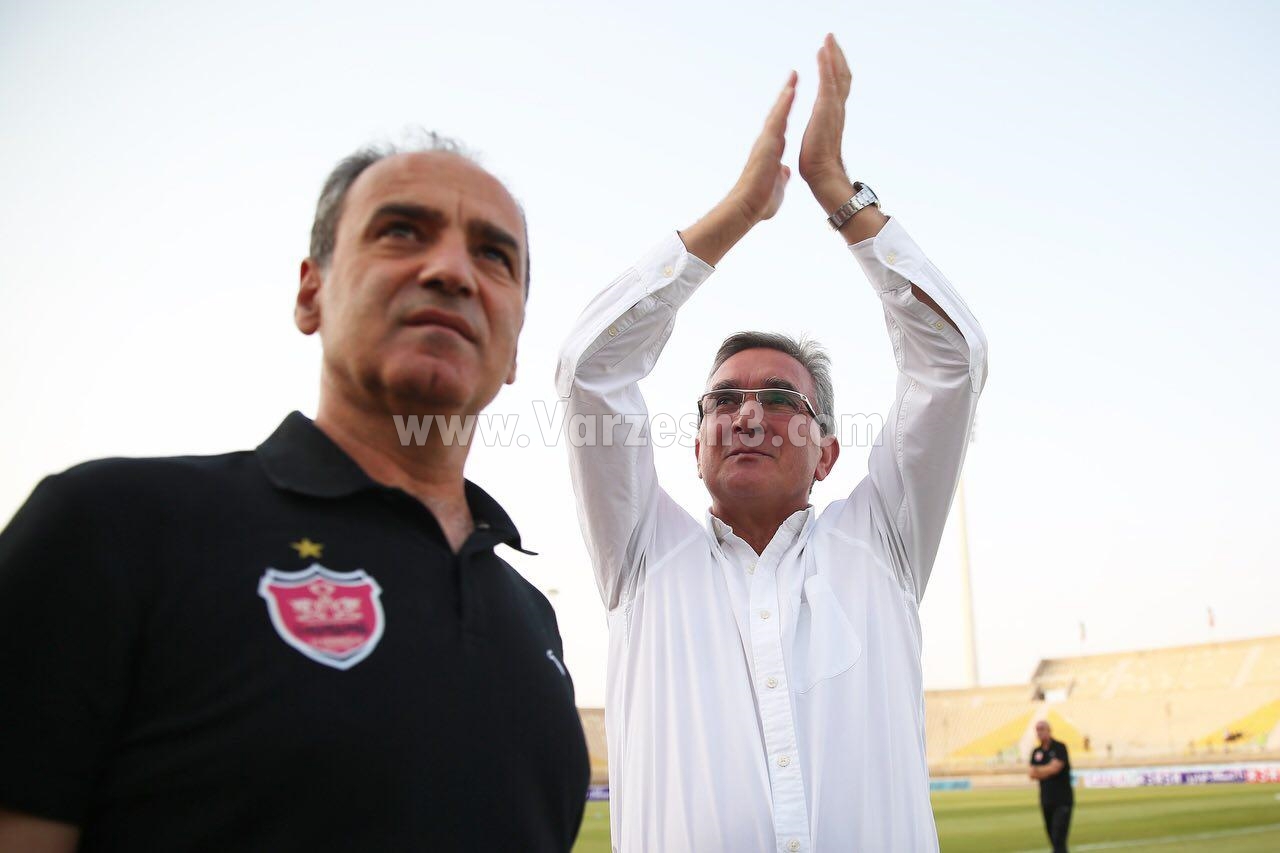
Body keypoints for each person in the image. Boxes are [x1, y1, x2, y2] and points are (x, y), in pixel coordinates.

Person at [0, 135, 589, 852]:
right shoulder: (110, 527)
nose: (451, 271)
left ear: (517, 346)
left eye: (494, 255)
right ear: (311, 292)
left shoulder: (531, 616)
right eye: (402, 231)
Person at [558, 35, 987, 851]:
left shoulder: (883, 542)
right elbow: (590, 369)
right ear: (697, 443)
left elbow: (952, 361)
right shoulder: (643, 554)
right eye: (723, 400)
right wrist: (738, 213)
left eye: (781, 399)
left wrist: (838, 194)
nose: (747, 415)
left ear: (827, 453)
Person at [1030, 720, 1074, 853]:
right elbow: (1032, 773)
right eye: (1037, 730)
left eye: (1042, 729)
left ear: (1049, 730)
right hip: (1046, 800)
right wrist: (1048, 769)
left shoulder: (1059, 747)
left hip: (1062, 800)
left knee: (1058, 837)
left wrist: (1040, 770)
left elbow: (1056, 768)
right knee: (1053, 839)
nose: (1039, 732)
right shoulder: (1036, 751)